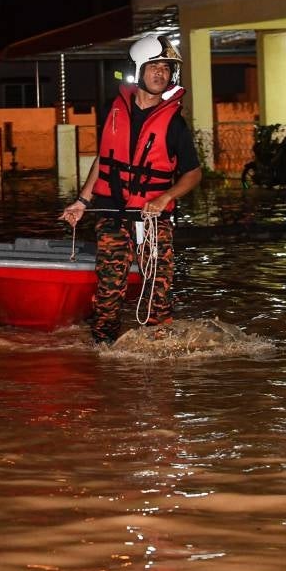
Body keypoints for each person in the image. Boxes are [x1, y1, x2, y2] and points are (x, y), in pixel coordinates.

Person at [59, 35, 202, 345]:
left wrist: (165, 197)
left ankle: (158, 349)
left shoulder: (175, 123)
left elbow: (193, 173)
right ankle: (104, 351)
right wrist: (82, 201)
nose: (161, 74)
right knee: (109, 287)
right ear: (138, 70)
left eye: (166, 68)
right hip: (111, 212)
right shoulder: (114, 110)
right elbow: (105, 159)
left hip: (152, 216)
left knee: (158, 286)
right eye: (154, 67)